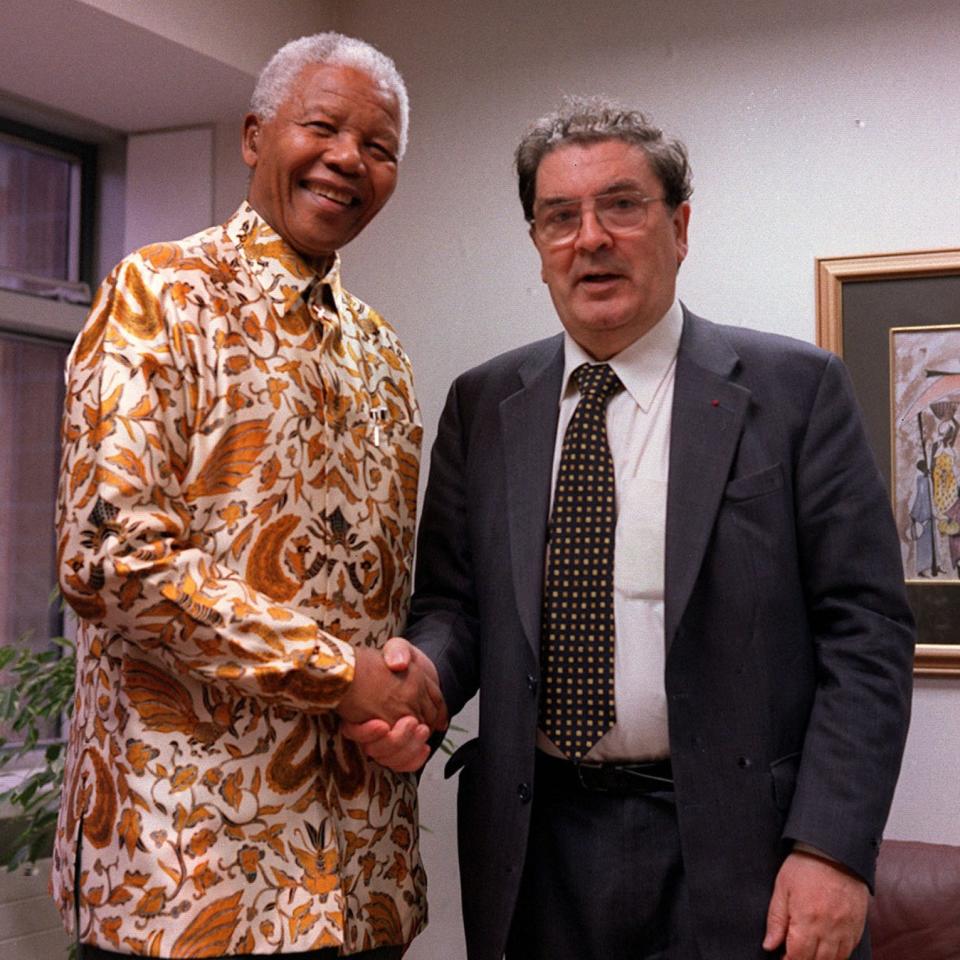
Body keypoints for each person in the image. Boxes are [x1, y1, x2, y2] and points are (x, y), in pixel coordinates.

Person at [346, 98, 916, 960]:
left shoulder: (795, 391)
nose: (592, 237)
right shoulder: (485, 404)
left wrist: (832, 849)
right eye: (560, 216)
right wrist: (419, 678)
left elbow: (865, 634)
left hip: (741, 855)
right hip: (536, 852)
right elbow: (456, 605)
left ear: (679, 227)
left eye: (622, 205)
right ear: (538, 246)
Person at [51, 32, 445, 960]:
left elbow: (380, 600)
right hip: (185, 886)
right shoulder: (158, 296)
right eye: (323, 126)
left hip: (362, 884)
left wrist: (403, 699)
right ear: (253, 135)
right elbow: (109, 559)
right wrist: (338, 674)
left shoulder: (385, 356)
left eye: (379, 147)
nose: (350, 158)